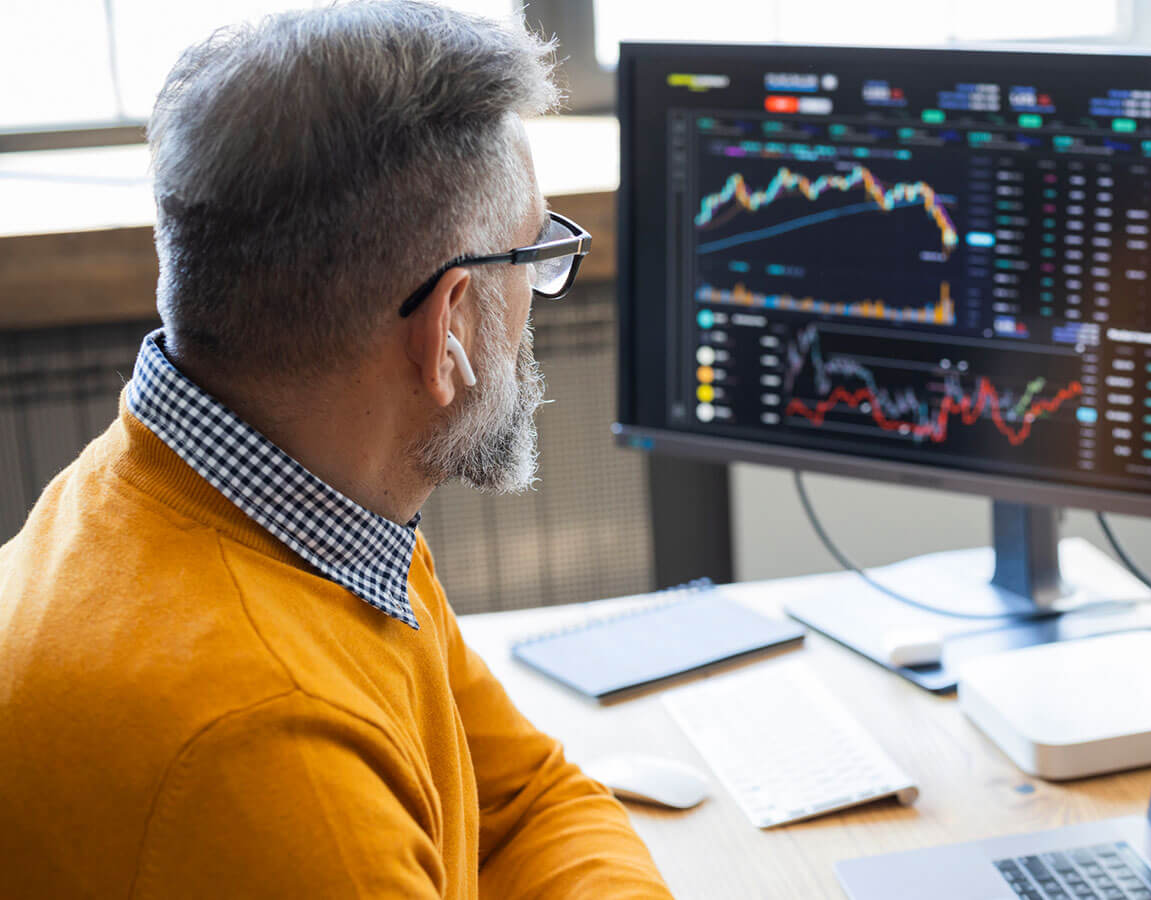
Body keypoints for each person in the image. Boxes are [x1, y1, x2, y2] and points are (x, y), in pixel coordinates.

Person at [0, 3, 673, 897]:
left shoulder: (296, 504)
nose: (537, 301)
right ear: (449, 329)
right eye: (533, 257)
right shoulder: (277, 756)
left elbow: (525, 803)